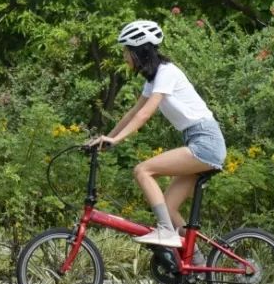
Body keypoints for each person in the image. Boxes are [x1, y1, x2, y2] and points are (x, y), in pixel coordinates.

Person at [86, 19, 227, 251]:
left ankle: (166, 232)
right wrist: (107, 139)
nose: (124, 56)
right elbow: (134, 112)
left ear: (140, 51)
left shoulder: (167, 72)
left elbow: (146, 114)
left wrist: (117, 140)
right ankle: (196, 262)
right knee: (170, 210)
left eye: (126, 51)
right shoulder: (154, 79)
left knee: (142, 170)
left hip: (205, 142)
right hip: (197, 140)